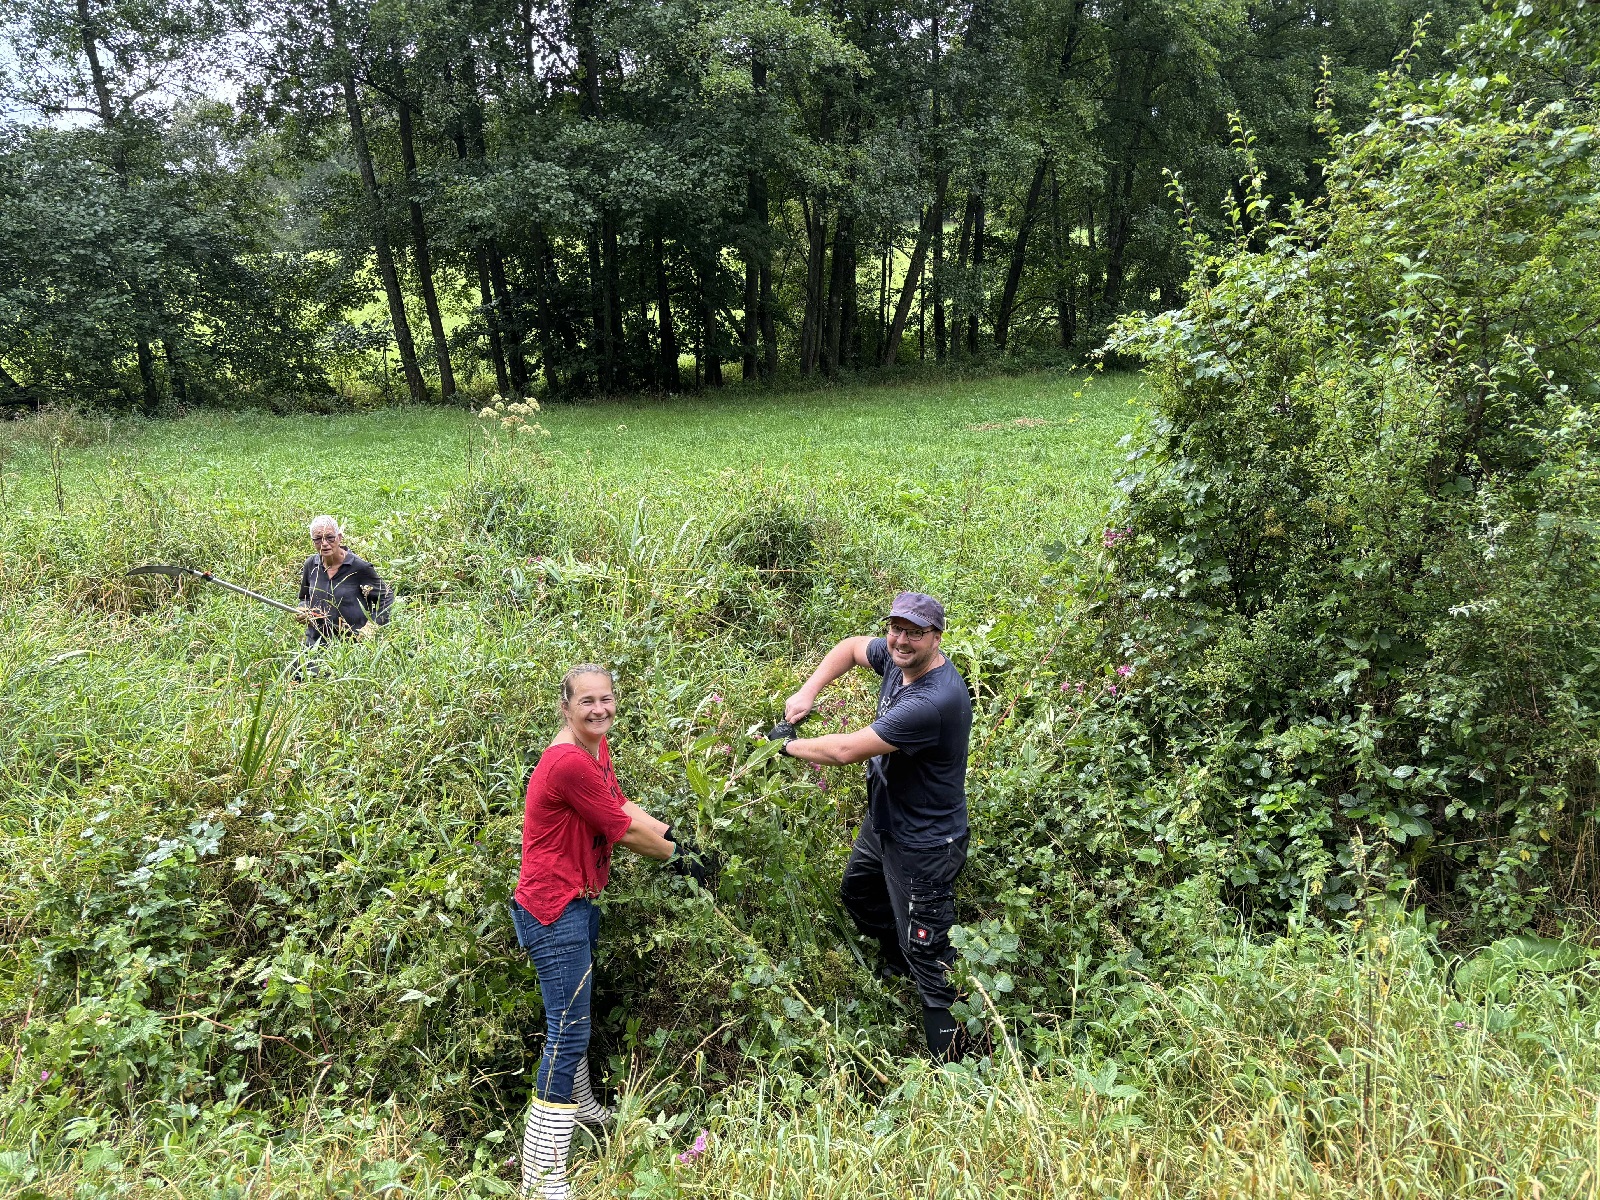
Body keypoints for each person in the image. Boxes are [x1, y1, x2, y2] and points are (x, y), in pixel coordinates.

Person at [513, 664, 710, 1200]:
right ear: (566, 708)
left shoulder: (595, 751)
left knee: (572, 1019)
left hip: (578, 900)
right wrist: (681, 858)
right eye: (587, 702)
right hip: (553, 909)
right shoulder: (567, 761)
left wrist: (677, 837)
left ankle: (579, 1113)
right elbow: (619, 829)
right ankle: (542, 1175)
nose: (599, 710)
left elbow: (621, 805)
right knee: (567, 1030)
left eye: (606, 700)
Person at [767, 592, 973, 1059]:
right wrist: (806, 692)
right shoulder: (899, 656)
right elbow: (849, 647)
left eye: (914, 632)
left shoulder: (932, 699)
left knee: (931, 952)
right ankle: (901, 967)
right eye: (895, 628)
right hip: (886, 823)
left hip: (925, 843)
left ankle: (958, 1069)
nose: (900, 640)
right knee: (859, 891)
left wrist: (785, 746)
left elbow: (845, 751)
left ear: (935, 638)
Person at [293, 515, 393, 649]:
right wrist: (302, 609)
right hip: (315, 644)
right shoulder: (311, 565)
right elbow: (304, 597)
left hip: (351, 646)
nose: (324, 543)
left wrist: (373, 625)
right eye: (318, 539)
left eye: (330, 537)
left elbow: (387, 596)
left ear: (339, 537)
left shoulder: (359, 567)